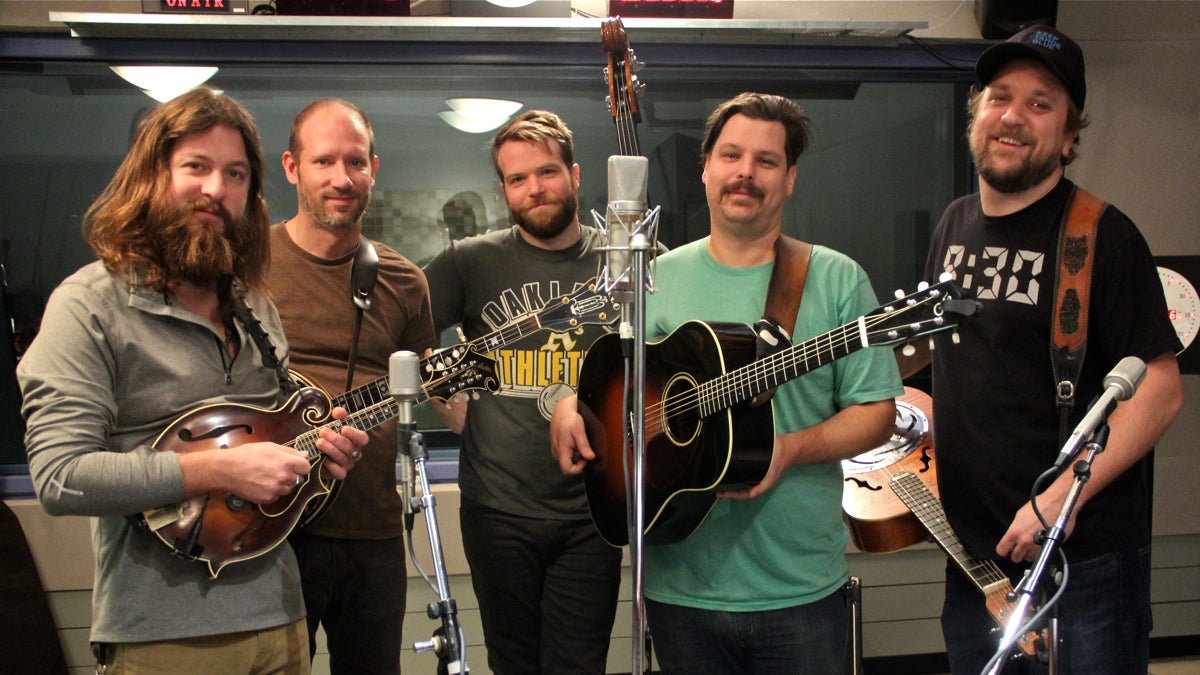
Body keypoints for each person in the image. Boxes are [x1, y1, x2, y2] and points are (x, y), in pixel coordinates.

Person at [550, 92, 905, 673]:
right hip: (677, 578)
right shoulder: (655, 277)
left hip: (800, 587)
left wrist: (791, 449)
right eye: (731, 155)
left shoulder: (834, 278)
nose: (746, 172)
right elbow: (615, 380)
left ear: (789, 178)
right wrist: (572, 407)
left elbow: (876, 413)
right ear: (707, 167)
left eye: (766, 161)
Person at [16, 87, 367, 674]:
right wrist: (220, 469)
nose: (215, 190)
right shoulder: (88, 305)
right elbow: (60, 477)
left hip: (280, 619)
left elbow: (268, 464)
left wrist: (316, 462)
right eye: (195, 167)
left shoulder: (254, 307)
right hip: (163, 637)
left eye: (234, 174)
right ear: (152, 178)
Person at [897, 25, 1184, 673]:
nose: (1013, 117)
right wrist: (900, 413)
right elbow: (956, 361)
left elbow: (1161, 391)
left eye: (1040, 103)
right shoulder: (954, 224)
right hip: (975, 560)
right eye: (1000, 97)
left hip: (1080, 567)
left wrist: (1057, 502)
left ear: (1069, 135)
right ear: (976, 114)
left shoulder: (1103, 237)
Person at [422, 109, 623, 674]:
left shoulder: (625, 262)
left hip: (593, 512)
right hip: (497, 510)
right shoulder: (471, 261)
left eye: (547, 172)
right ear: (505, 189)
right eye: (517, 179)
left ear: (575, 175)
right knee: (512, 664)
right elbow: (404, 336)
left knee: (579, 666)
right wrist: (447, 397)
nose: (535, 189)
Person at [268, 98, 437, 674]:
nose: (341, 179)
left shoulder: (404, 282)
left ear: (374, 168)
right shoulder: (244, 267)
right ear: (292, 167)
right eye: (323, 162)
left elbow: (432, 381)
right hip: (271, 533)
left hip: (372, 530)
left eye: (356, 162)